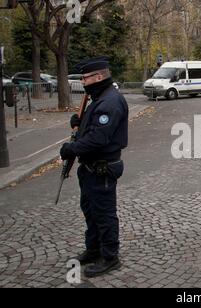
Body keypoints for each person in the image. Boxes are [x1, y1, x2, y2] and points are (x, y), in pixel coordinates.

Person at [60, 56, 129, 278]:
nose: (83, 81)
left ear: (98, 77)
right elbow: (91, 130)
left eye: (85, 78)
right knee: (90, 211)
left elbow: (99, 138)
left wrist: (73, 149)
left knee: (104, 213)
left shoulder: (109, 101)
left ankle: (110, 256)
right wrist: (78, 125)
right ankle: (94, 249)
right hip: (90, 167)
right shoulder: (99, 98)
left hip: (102, 168)